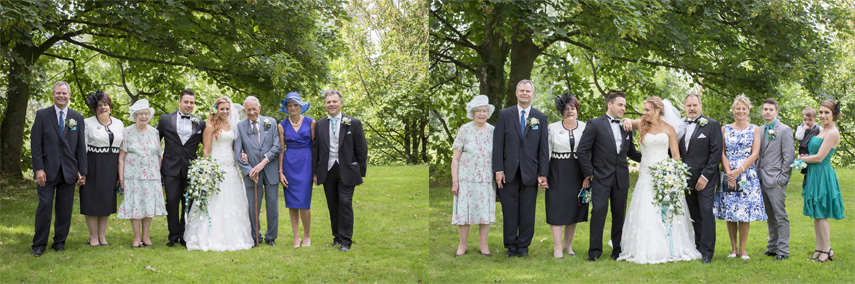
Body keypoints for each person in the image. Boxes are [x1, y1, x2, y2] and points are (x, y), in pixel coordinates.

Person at [615, 97, 702, 264]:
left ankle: (670, 247)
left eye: (647, 110)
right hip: (646, 173)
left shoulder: (669, 129)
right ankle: (644, 248)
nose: (644, 113)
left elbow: (676, 157)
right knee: (645, 209)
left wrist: (673, 177)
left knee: (665, 211)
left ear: (657, 111)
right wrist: (626, 120)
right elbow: (625, 122)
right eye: (644, 109)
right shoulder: (641, 124)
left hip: (665, 175)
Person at [576, 92, 642, 261]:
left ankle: (617, 250)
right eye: (620, 105)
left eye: (625, 106)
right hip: (600, 177)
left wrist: (653, 157)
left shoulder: (626, 126)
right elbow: (582, 150)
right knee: (598, 212)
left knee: (619, 214)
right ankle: (595, 251)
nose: (623, 108)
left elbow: (632, 152)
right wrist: (590, 173)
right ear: (610, 105)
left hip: (621, 177)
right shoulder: (595, 124)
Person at [184, 97, 254, 251]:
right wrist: (205, 170)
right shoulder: (210, 127)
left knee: (232, 201)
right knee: (214, 201)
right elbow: (206, 151)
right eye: (222, 109)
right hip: (216, 167)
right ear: (216, 109)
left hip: (231, 167)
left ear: (231, 110)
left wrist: (242, 154)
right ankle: (209, 236)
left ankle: (234, 237)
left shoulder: (234, 126)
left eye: (227, 109)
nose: (225, 111)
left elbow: (237, 147)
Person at [492, 80, 549, 258]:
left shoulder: (539, 117)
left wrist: (543, 174)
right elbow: (498, 144)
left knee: (527, 211)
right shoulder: (505, 114)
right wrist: (498, 170)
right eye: (522, 90)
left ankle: (523, 246)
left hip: (531, 172)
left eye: (528, 91)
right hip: (508, 171)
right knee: (509, 211)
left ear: (533, 94)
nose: (525, 93)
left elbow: (543, 148)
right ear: (516, 93)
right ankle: (511, 246)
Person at [30, 81, 87, 257]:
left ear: (69, 95)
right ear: (53, 95)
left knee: (64, 210)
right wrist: (38, 169)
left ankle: (59, 242)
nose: (61, 96)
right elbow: (36, 145)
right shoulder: (42, 115)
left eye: (64, 93)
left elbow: (79, 146)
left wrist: (82, 171)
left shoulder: (75, 118)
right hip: (46, 172)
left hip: (68, 171)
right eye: (58, 93)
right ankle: (39, 244)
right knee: (45, 207)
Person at [313, 90, 368, 252]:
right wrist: (315, 173)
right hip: (328, 169)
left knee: (345, 203)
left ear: (341, 103)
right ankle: (336, 237)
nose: (331, 104)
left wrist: (361, 173)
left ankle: (346, 240)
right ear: (325, 104)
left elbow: (361, 149)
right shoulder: (320, 124)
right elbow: (315, 149)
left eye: (334, 101)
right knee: (333, 204)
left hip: (348, 170)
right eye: (328, 102)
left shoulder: (353, 123)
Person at [713, 94, 766, 260]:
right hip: (728, 173)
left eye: (743, 108)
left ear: (748, 110)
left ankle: (743, 249)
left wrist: (739, 171)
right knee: (731, 211)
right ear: (733, 110)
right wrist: (729, 173)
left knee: (744, 212)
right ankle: (733, 249)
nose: (740, 111)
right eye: (738, 108)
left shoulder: (755, 129)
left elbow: (755, 153)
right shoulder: (724, 129)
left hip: (746, 174)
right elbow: (722, 152)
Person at [156, 90, 206, 247]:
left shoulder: (201, 123)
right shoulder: (165, 120)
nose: (189, 105)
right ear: (179, 102)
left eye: (192, 102)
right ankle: (173, 234)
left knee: (188, 203)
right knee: (171, 201)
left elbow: (208, 146)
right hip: (170, 167)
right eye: (186, 102)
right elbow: (155, 142)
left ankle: (185, 235)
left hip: (191, 168)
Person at [798, 100, 845, 262]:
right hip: (814, 173)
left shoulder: (832, 132)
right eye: (821, 112)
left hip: (823, 174)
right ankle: (819, 248)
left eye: (826, 112)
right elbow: (813, 153)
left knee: (822, 213)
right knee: (817, 214)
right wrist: (805, 157)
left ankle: (827, 250)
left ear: (834, 115)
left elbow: (818, 158)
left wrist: (800, 159)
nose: (823, 115)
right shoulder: (822, 130)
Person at [117, 100, 167, 248]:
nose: (143, 116)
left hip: (151, 176)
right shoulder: (127, 132)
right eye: (140, 114)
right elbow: (121, 157)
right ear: (135, 115)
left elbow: (158, 155)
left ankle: (145, 237)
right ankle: (136, 237)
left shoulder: (155, 132)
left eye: (146, 113)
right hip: (132, 176)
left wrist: (157, 175)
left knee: (148, 206)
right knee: (135, 206)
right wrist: (121, 177)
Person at [678, 93, 722, 264]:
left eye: (695, 105)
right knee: (693, 213)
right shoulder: (679, 126)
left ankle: (707, 252)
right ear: (685, 107)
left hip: (706, 179)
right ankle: (697, 247)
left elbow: (716, 153)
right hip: (685, 179)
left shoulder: (712, 125)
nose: (692, 108)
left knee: (706, 212)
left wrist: (705, 176)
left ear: (701, 106)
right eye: (689, 105)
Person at [451, 95, 496, 258]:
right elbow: (455, 158)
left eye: (484, 111)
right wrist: (455, 181)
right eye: (478, 111)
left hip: (485, 179)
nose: (482, 114)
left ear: (488, 113)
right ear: (473, 112)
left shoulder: (493, 131)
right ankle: (462, 245)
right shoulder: (464, 129)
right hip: (466, 180)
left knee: (485, 214)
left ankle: (483, 245)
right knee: (464, 214)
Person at [545, 93, 587, 259]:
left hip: (578, 172)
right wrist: (543, 174)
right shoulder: (552, 128)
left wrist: (588, 175)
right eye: (566, 109)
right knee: (556, 208)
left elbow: (590, 151)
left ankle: (567, 246)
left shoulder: (586, 127)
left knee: (573, 209)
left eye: (573, 108)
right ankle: (557, 248)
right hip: (557, 171)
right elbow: (546, 152)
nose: (570, 111)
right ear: (561, 111)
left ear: (577, 110)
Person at [235, 96, 281, 246]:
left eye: (254, 109)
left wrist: (263, 163)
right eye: (248, 109)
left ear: (259, 108)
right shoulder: (240, 126)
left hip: (270, 169)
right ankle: (256, 236)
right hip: (252, 174)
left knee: (272, 204)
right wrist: (249, 171)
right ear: (244, 110)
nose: (252, 112)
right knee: (253, 207)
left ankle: (271, 236)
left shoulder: (271, 122)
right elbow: (238, 153)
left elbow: (277, 147)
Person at [81, 90, 123, 247]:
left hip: (111, 165)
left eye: (106, 104)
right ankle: (93, 236)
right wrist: (82, 170)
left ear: (110, 106)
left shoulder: (119, 123)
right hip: (93, 164)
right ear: (94, 108)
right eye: (99, 105)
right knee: (91, 200)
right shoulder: (87, 123)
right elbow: (82, 147)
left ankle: (102, 236)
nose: (103, 108)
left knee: (106, 200)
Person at [756, 98, 795, 261]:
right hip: (761, 179)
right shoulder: (758, 130)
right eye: (765, 109)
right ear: (762, 111)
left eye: (771, 109)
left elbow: (789, 157)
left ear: (776, 112)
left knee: (780, 215)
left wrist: (782, 180)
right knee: (769, 215)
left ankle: (783, 250)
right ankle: (772, 246)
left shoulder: (784, 130)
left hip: (776, 180)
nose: (767, 112)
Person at [278, 93, 315, 247]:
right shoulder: (281, 125)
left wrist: (315, 171)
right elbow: (281, 150)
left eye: (295, 105)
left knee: (304, 202)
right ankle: (296, 236)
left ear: (301, 107)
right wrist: (280, 172)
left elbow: (315, 147)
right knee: (292, 202)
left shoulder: (311, 122)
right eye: (290, 105)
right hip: (289, 164)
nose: (292, 108)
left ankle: (307, 235)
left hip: (306, 163)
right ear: (287, 108)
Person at [795, 107, 821, 186]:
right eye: (805, 120)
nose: (807, 122)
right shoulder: (801, 127)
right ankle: (806, 178)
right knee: (806, 165)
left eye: (810, 120)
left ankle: (813, 178)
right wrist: (803, 129)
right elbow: (798, 137)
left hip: (813, 148)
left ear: (815, 120)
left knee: (812, 164)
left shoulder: (818, 128)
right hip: (804, 148)